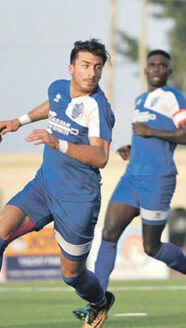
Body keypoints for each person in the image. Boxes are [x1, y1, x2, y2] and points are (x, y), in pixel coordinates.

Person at [73, 49, 186, 320]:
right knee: (109, 233)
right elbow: (147, 139)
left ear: (168, 71)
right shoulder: (139, 101)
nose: (157, 68)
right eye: (152, 65)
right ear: (146, 70)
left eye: (162, 65)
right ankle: (97, 300)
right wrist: (133, 148)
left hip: (158, 179)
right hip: (132, 177)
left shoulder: (172, 98)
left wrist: (151, 132)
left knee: (152, 247)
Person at [0, 39, 115, 328]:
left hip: (78, 200)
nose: (92, 73)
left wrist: (58, 143)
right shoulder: (58, 87)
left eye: (97, 68)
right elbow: (55, 104)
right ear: (72, 68)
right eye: (86, 66)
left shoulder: (97, 107)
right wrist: (19, 120)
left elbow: (101, 156)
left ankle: (100, 302)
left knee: (73, 276)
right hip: (44, 187)